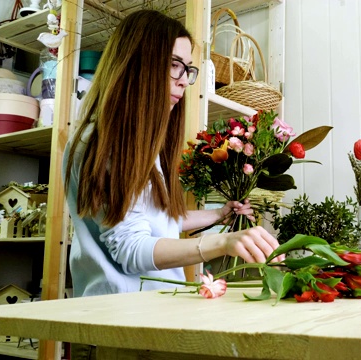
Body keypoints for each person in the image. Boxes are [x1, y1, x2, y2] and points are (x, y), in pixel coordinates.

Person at [63, 9, 283, 302]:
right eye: (174, 65)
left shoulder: (139, 143)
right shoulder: (103, 141)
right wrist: (222, 242)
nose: (183, 80)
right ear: (138, 65)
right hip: (116, 320)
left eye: (188, 69)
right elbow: (131, 249)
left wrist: (218, 215)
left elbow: (155, 222)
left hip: (148, 311)